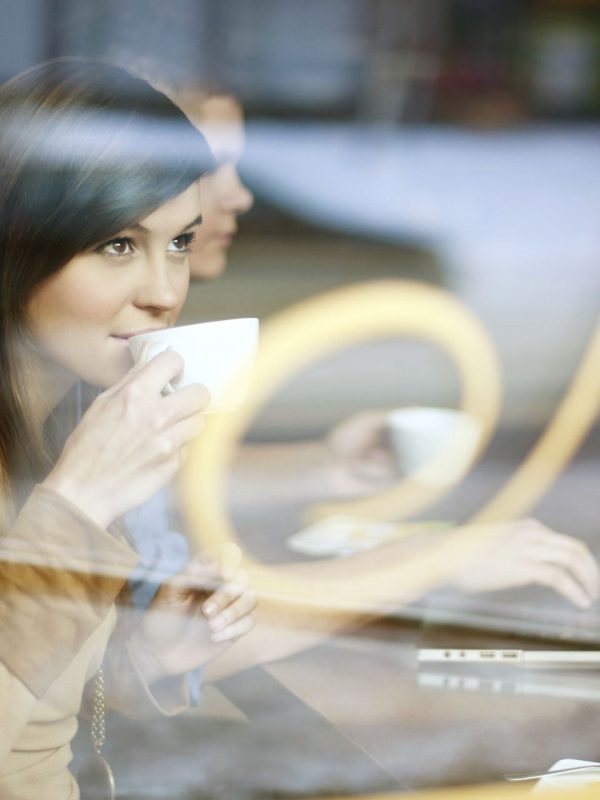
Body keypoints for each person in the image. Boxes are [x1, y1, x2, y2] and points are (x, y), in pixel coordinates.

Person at [166, 81, 600, 617]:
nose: (241, 195)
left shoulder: (125, 358)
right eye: (211, 168)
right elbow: (175, 642)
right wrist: (429, 561)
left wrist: (324, 465)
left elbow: (152, 486)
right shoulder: (106, 353)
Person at [0, 57, 256, 799]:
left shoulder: (55, 428)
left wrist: (148, 657)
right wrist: (77, 507)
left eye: (179, 243)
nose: (165, 292)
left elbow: (35, 722)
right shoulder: (74, 472)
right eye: (118, 245)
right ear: (18, 245)